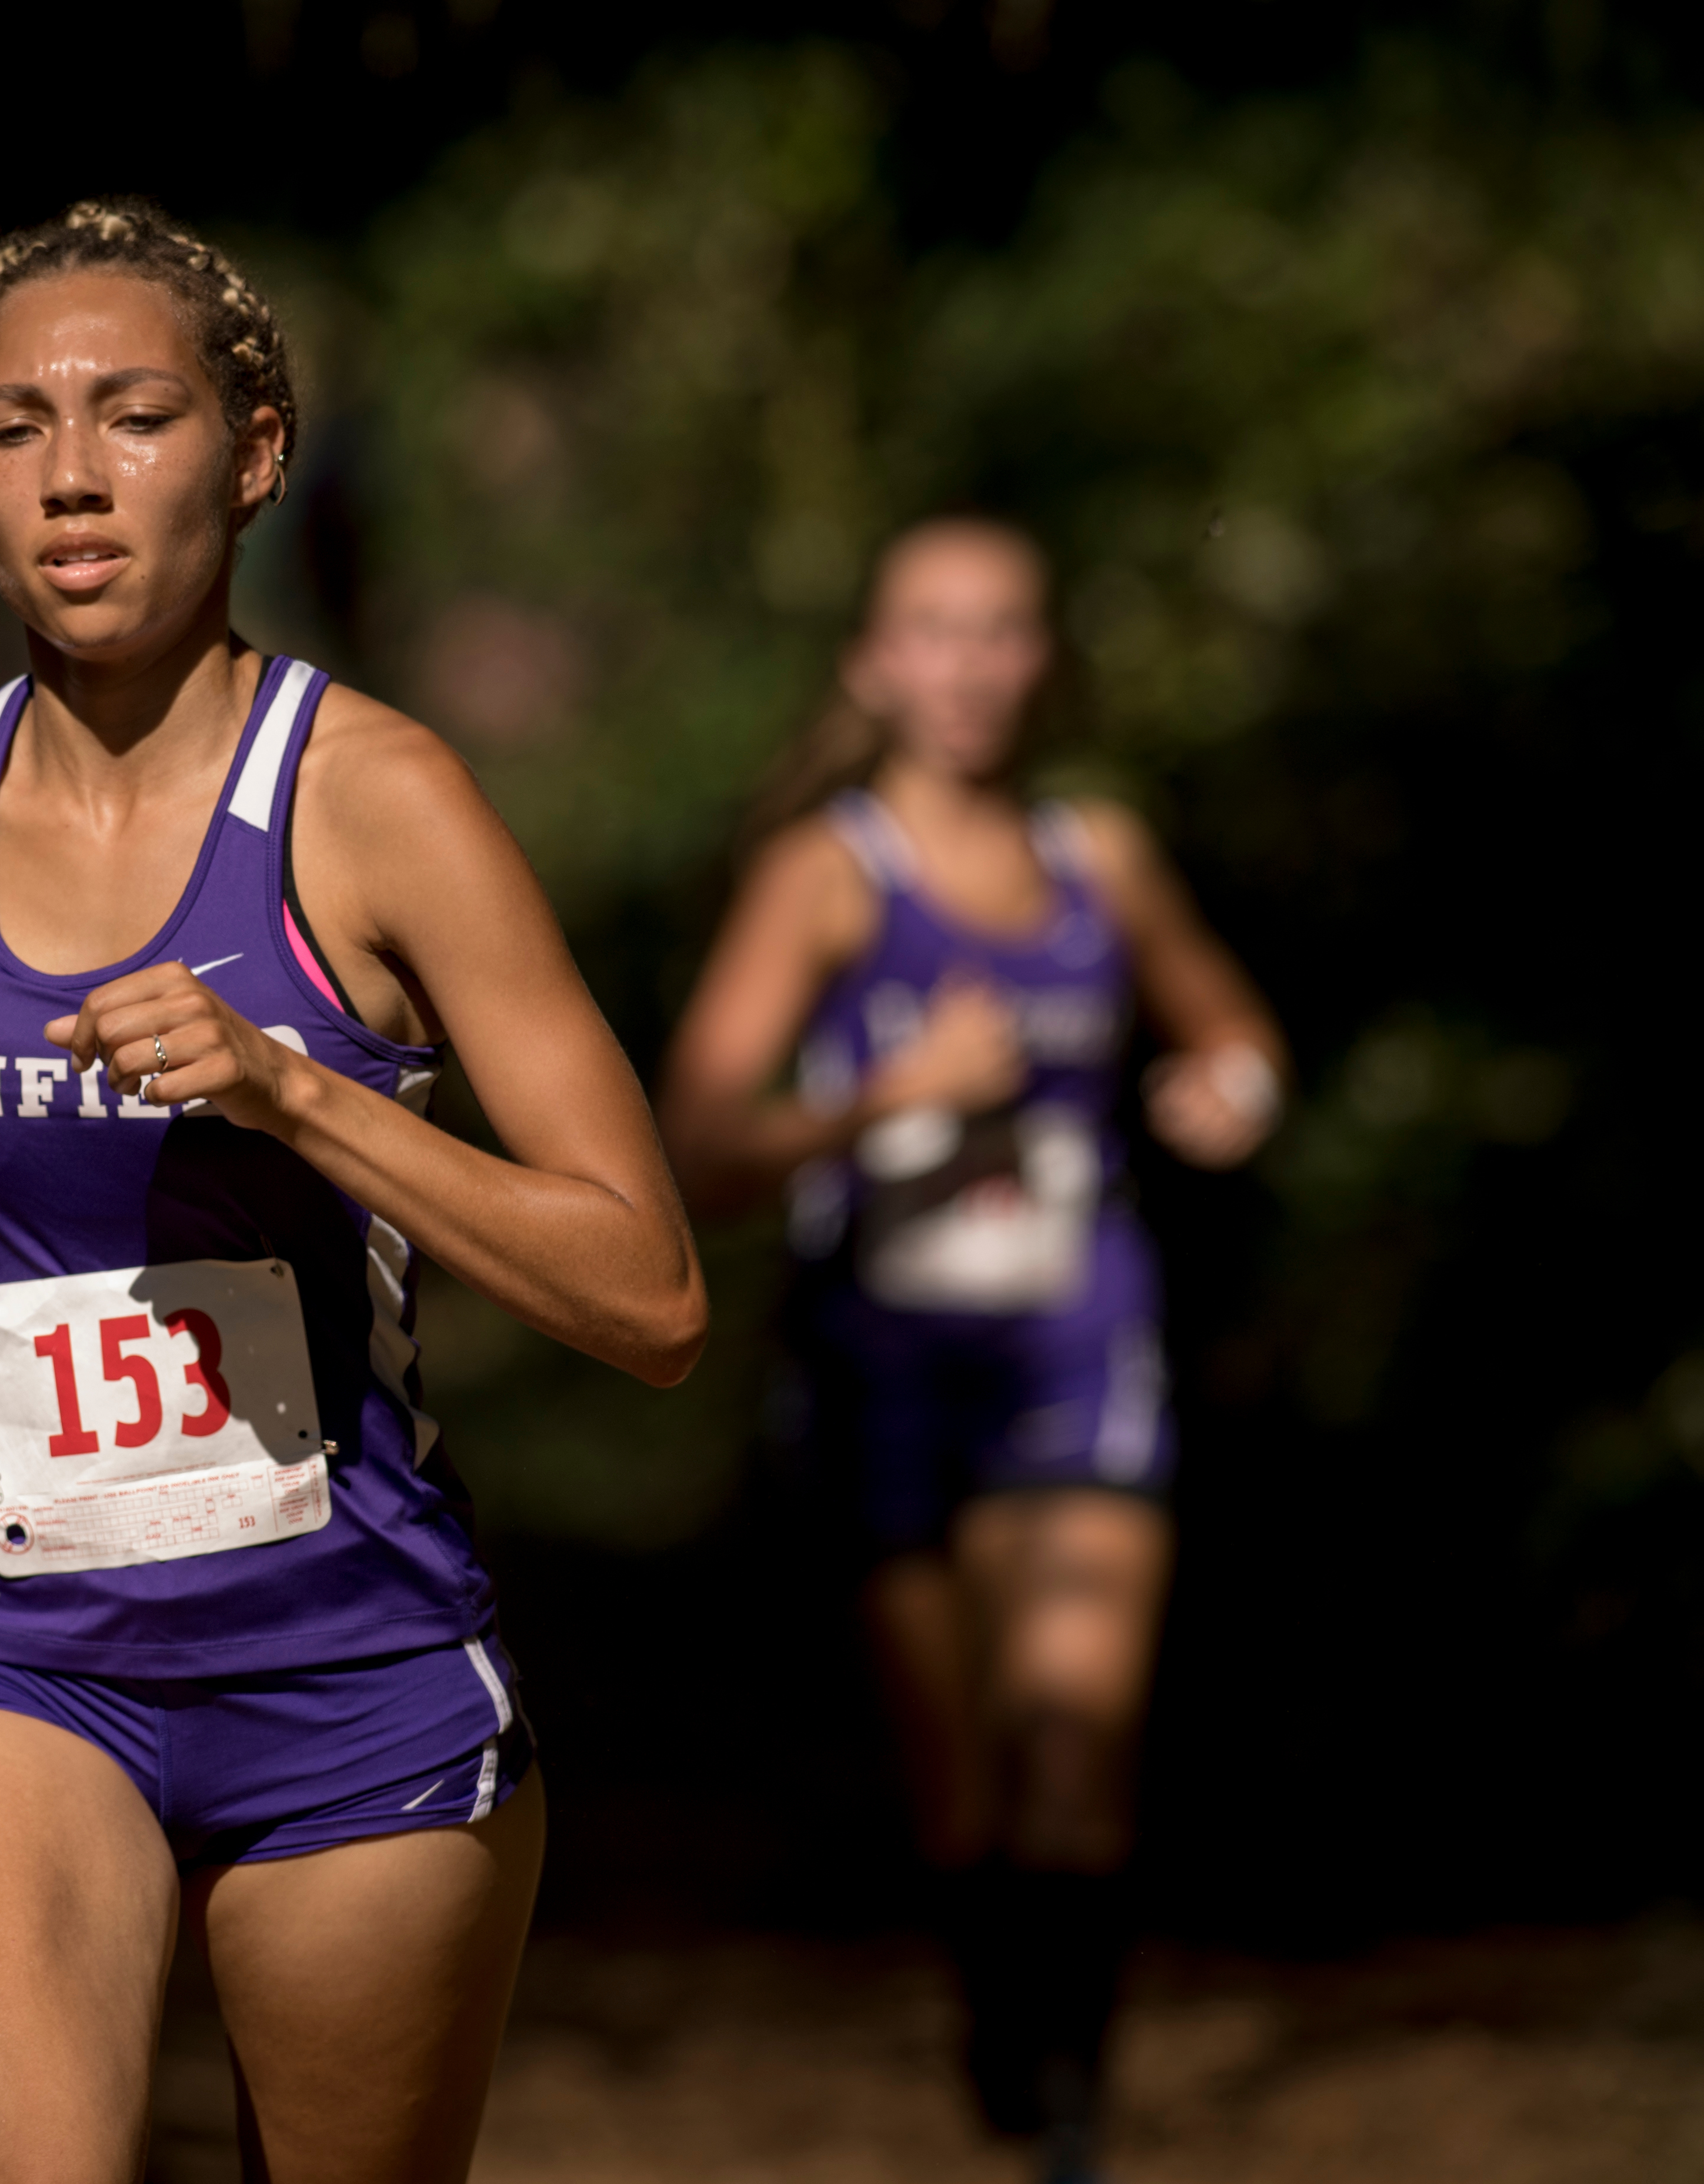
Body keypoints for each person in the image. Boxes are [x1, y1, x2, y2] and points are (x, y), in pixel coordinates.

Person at [0, 199, 708, 2184]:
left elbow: (651, 1297)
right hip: (3, 1646)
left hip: (352, 1668)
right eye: (14, 429)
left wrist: (296, 1095)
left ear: (251, 454)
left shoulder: (381, 803)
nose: (71, 475)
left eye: (134, 417)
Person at [658, 517, 1285, 2182]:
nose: (969, 664)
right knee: (965, 1784)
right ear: (877, 665)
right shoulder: (828, 873)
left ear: (1041, 661)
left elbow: (1232, 1029)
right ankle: (1004, 2023)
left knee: (1075, 1741)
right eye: (934, 629)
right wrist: (888, 1097)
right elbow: (696, 1145)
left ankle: (1073, 2114)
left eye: (1001, 628)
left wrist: (1227, 1090)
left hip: (1079, 1342)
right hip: (888, 1364)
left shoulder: (1100, 857)